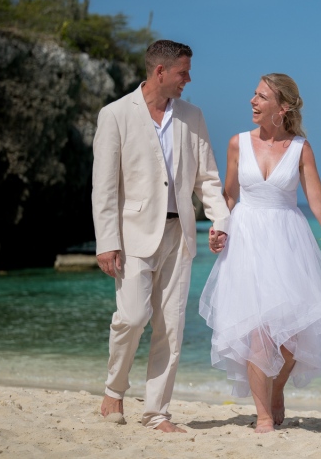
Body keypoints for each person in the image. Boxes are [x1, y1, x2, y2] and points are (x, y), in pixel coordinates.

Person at [92, 40, 230, 433]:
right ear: (160, 72)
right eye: (183, 72)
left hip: (179, 233)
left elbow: (207, 179)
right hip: (132, 233)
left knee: (171, 325)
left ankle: (157, 413)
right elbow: (103, 186)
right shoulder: (115, 115)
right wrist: (107, 241)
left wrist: (219, 220)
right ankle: (114, 390)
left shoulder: (193, 116)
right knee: (132, 317)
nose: (189, 79)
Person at [199, 73, 321, 433]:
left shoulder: (300, 149)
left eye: (261, 96)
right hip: (246, 241)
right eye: (253, 94)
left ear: (281, 108)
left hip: (288, 242)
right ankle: (263, 414)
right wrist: (218, 227)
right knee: (254, 331)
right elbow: (229, 196)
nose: (252, 101)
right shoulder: (238, 143)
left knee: (292, 335)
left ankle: (277, 389)